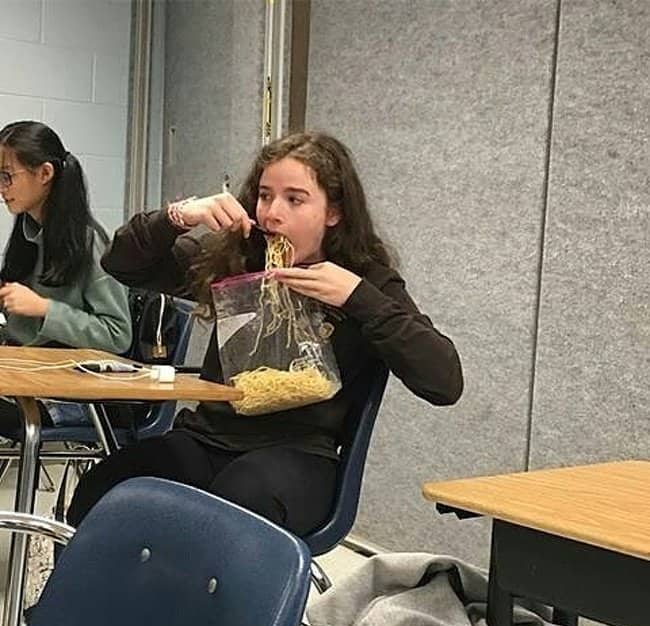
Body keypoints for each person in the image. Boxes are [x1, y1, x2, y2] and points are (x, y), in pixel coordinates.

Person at [67, 132, 463, 535]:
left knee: (232, 507)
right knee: (105, 488)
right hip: (207, 439)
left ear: (334, 211)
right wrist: (178, 217)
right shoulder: (237, 258)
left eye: (295, 199)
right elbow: (122, 264)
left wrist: (357, 297)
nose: (272, 213)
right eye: (264, 195)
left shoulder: (367, 280)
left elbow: (444, 382)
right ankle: (82, 598)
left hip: (298, 454)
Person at [0, 121, 132, 433]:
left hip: (77, 400)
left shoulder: (90, 243)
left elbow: (118, 334)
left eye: (7, 176)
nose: (2, 188)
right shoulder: (28, 233)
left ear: (45, 174)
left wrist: (45, 308)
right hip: (35, 380)